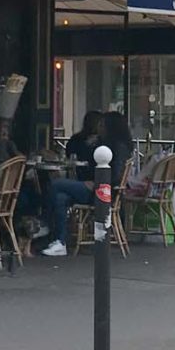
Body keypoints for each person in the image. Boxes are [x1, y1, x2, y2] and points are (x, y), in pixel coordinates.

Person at [38, 111, 132, 259]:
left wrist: (95, 184)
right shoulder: (105, 144)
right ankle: (59, 241)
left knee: (55, 184)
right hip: (95, 188)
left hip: (100, 193)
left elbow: (115, 176)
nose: (99, 127)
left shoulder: (116, 147)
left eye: (102, 124)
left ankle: (44, 223)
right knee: (60, 198)